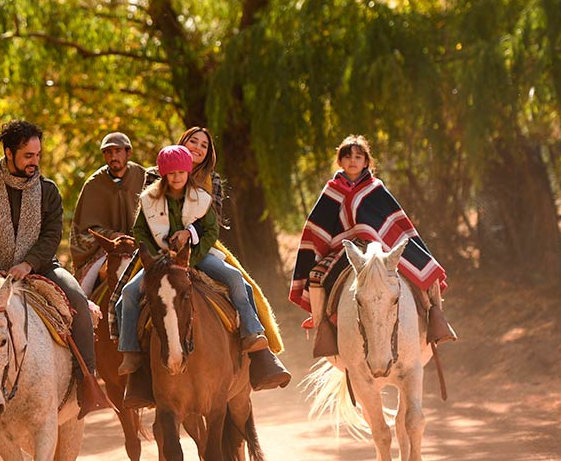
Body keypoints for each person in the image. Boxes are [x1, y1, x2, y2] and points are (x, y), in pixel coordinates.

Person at [0, 119, 109, 421]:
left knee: (77, 301)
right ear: (8, 153)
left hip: (42, 268)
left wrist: (29, 263)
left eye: (38, 155)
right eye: (28, 156)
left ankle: (87, 383)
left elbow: (52, 235)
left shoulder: (48, 190)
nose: (35, 161)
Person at [289, 135, 457, 357]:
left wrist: (374, 235)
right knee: (316, 277)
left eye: (358, 157)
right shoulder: (331, 191)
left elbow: (395, 221)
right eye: (347, 156)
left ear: (366, 161)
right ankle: (322, 328)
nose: (353, 161)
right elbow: (317, 227)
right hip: (345, 249)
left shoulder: (375, 188)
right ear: (340, 161)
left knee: (427, 266)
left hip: (382, 244)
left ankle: (435, 316)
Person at [114, 145, 272, 373]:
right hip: (160, 260)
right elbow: (140, 231)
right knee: (127, 294)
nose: (176, 177)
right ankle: (130, 351)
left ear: (188, 172)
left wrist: (191, 255)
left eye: (181, 172)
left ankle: (252, 333)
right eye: (171, 173)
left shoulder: (201, 198)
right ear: (163, 174)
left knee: (235, 278)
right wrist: (155, 256)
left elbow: (211, 231)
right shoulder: (149, 199)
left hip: (198, 256)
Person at [69, 131, 147, 295]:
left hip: (142, 245)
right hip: (105, 249)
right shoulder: (93, 185)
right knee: (84, 287)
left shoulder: (144, 177)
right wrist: (111, 236)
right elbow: (83, 230)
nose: (113, 157)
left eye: (118, 151)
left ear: (128, 153)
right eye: (108, 152)